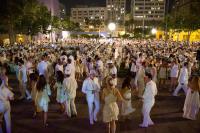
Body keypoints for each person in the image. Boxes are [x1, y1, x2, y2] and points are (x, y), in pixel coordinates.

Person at [0, 66, 14, 133]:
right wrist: (10, 89)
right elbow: (12, 97)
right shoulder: (6, 89)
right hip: (7, 104)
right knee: (8, 121)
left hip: (0, 105)